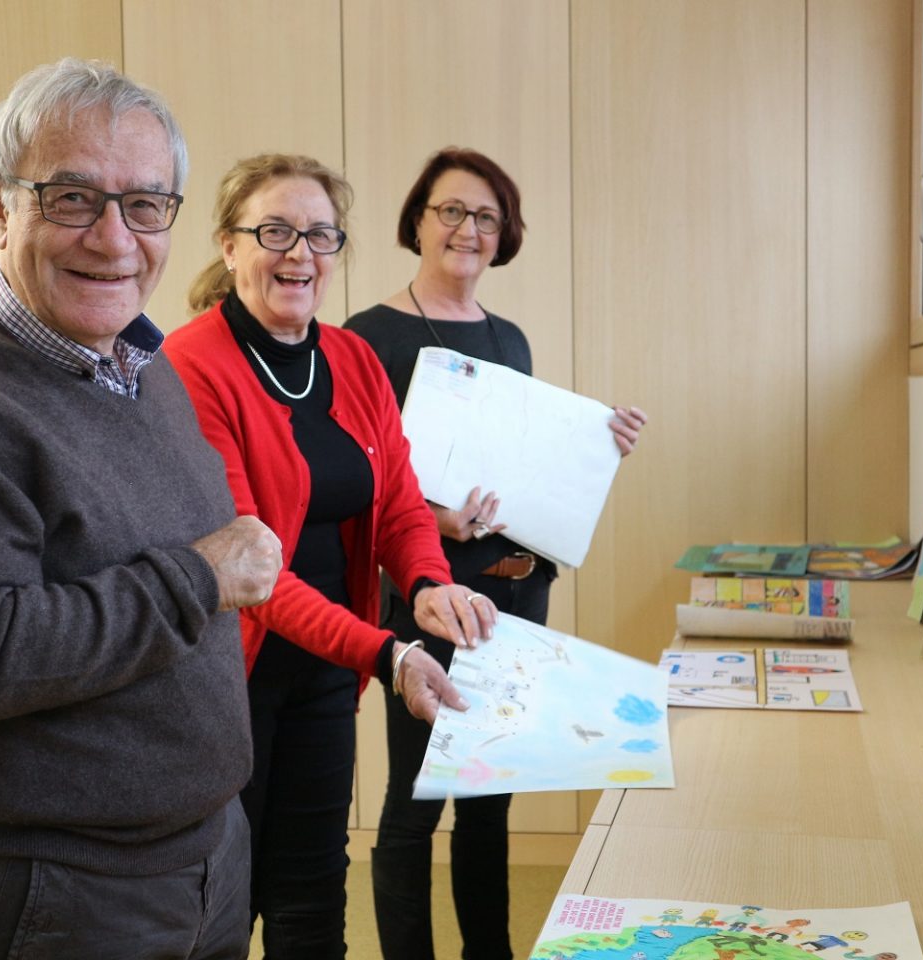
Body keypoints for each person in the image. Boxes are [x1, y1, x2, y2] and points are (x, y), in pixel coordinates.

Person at [0, 58, 284, 960]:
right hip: (53, 890)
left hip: (203, 858)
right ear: (0, 207)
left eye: (147, 204)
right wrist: (201, 576)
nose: (116, 240)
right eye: (73, 198)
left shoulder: (137, 365)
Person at [161, 153, 497, 960]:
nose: (299, 253)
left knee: (313, 891)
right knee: (222, 901)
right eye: (274, 231)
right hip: (228, 675)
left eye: (319, 234)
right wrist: (386, 650)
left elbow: (400, 503)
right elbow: (253, 573)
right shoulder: (191, 364)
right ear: (229, 244)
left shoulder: (350, 358)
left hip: (324, 668)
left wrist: (426, 585)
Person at [344, 147, 648, 960]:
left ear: (503, 233)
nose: (467, 229)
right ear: (417, 220)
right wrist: (432, 523)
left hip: (518, 593)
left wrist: (600, 445)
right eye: (450, 211)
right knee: (415, 805)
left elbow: (530, 475)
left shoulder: (510, 338)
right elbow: (355, 475)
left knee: (490, 800)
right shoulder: (366, 337)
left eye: (485, 216)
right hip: (430, 592)